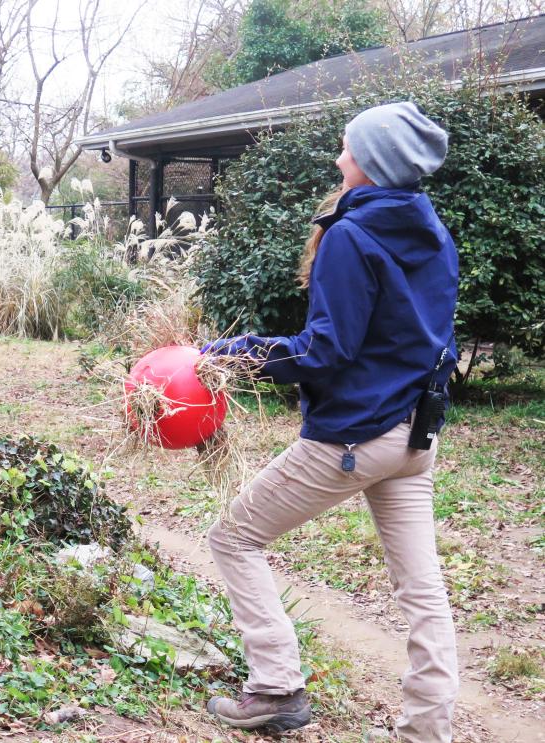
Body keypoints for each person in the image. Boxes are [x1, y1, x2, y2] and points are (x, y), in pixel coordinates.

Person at [200, 101, 460, 742]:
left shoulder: (351, 235)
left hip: (357, 436)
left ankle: (276, 689)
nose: (338, 157)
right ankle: (429, 732)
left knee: (232, 538)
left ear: (370, 163)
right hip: (415, 437)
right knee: (422, 591)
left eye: (347, 148)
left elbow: (326, 350)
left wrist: (226, 355)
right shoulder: (431, 231)